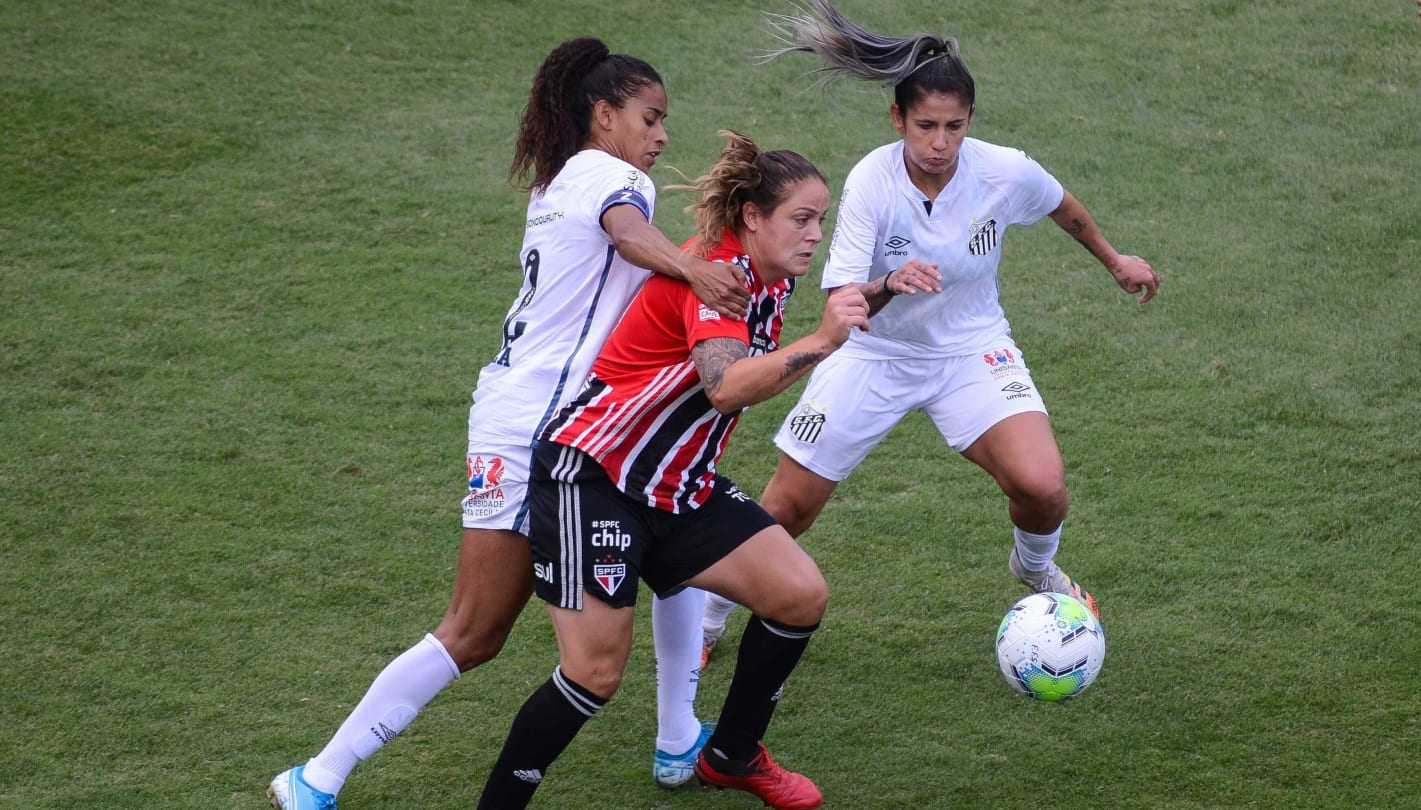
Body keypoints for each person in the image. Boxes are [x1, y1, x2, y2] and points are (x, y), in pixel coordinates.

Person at [267, 37, 753, 810]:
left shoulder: (555, 182)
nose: (662, 138)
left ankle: (675, 737)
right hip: (544, 429)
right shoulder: (609, 174)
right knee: (476, 629)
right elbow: (627, 233)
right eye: (650, 118)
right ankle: (317, 776)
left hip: (541, 416)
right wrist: (697, 269)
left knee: (673, 528)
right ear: (604, 114)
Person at [700, 0, 1160, 661]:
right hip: (873, 356)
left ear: (970, 121)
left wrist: (1116, 261)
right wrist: (889, 284)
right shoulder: (870, 184)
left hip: (971, 350)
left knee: (1043, 487)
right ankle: (709, 617)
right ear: (897, 119)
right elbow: (842, 309)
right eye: (925, 126)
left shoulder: (1002, 170)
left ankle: (1033, 570)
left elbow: (1060, 205)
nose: (939, 142)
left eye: (954, 126)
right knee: (789, 508)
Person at [474, 131, 867, 810]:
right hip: (594, 478)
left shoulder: (770, 278)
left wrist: (887, 287)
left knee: (799, 594)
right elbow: (725, 385)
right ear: (753, 218)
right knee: (594, 673)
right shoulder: (717, 275)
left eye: (822, 220)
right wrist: (823, 342)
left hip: (676, 488)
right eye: (802, 219)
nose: (816, 235)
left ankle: (732, 754)